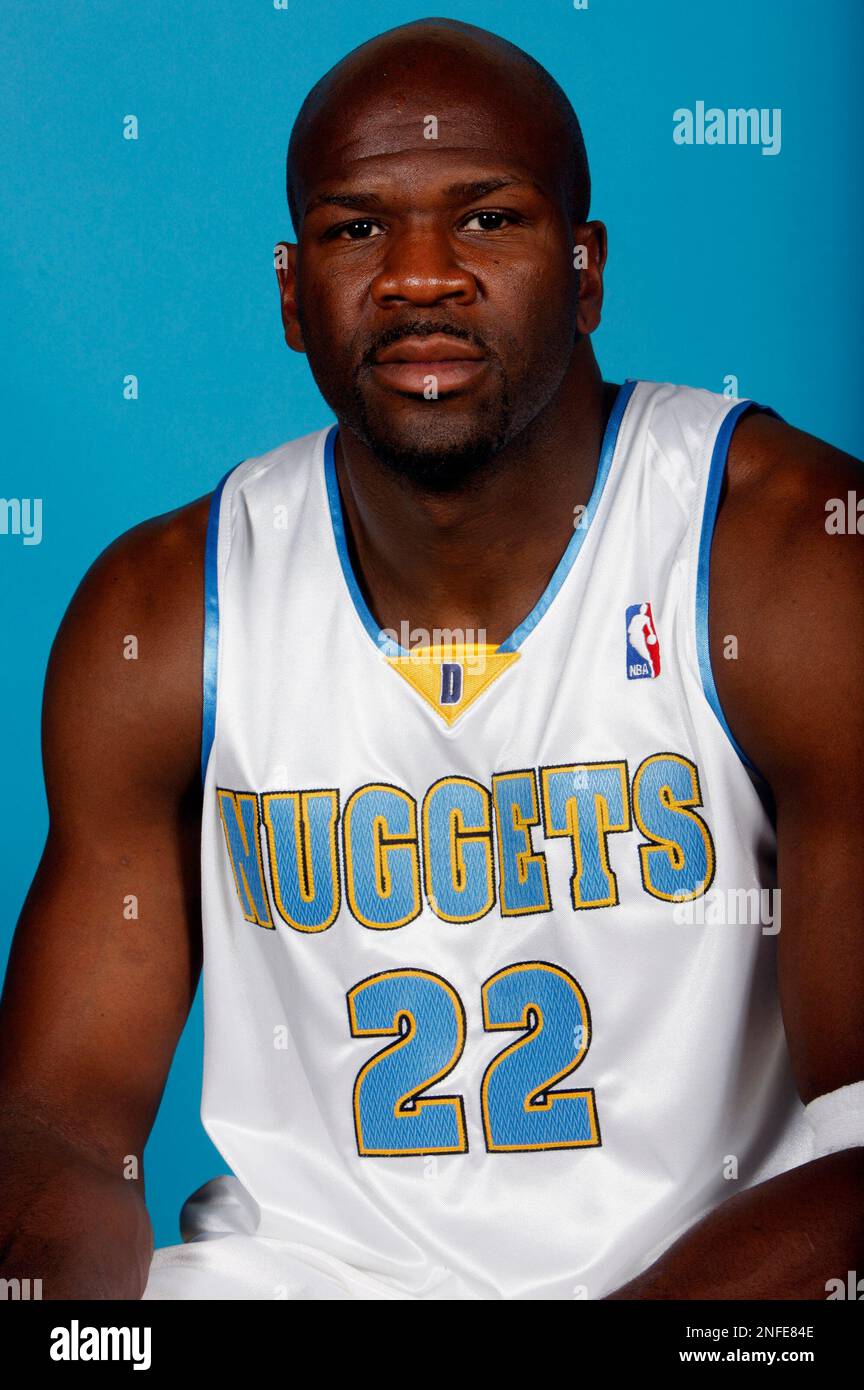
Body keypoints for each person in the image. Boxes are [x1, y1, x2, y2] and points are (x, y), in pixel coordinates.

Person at [0, 18, 862, 1301]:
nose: (418, 277)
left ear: (585, 270)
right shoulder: (168, 607)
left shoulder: (787, 556)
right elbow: (62, 1128)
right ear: (292, 294)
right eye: (358, 230)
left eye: (489, 220)